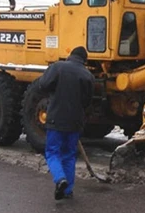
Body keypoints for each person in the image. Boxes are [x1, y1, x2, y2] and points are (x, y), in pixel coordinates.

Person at [39, 46, 94, 200]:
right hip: (75, 122)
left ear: (70, 55)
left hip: (56, 119)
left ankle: (60, 179)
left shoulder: (58, 67)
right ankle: (67, 190)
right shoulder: (87, 75)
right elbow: (87, 101)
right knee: (69, 155)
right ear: (84, 60)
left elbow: (43, 85)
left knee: (52, 152)